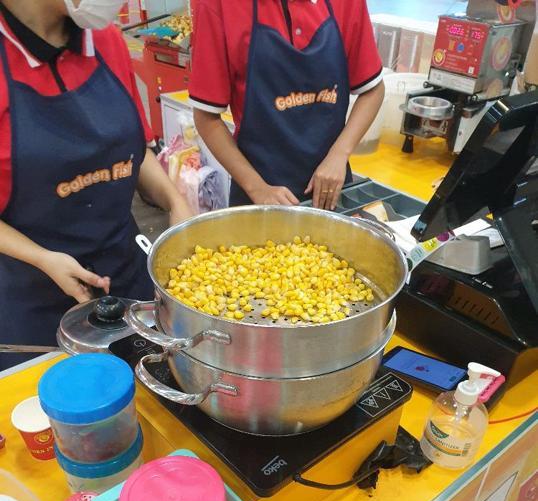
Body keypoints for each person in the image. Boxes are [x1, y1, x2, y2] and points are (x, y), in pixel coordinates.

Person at [0, 0, 191, 370]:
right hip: (37, 299)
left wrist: (174, 200)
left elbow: (134, 149)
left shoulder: (106, 41)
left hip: (128, 278)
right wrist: (42, 258)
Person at [189, 0, 384, 209]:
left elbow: (373, 91)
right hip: (257, 199)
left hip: (330, 194)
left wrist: (339, 154)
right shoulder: (218, 5)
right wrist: (257, 188)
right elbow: (206, 118)